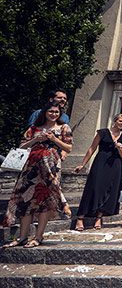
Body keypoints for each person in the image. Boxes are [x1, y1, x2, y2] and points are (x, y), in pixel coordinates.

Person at [2, 104, 73, 247]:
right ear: (45, 112)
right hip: (31, 168)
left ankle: (38, 237)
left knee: (45, 202)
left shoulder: (64, 127)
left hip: (50, 168)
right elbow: (21, 147)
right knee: (26, 201)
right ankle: (22, 237)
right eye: (50, 111)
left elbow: (69, 147)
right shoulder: (34, 128)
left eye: (56, 112)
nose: (53, 114)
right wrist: (35, 140)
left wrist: (54, 139)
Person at [72, 114, 122, 230]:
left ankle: (99, 217)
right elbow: (92, 148)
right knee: (93, 187)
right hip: (101, 162)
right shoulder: (103, 132)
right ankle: (80, 217)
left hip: (115, 165)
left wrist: (119, 148)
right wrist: (83, 164)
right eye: (120, 121)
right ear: (115, 121)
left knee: (109, 190)